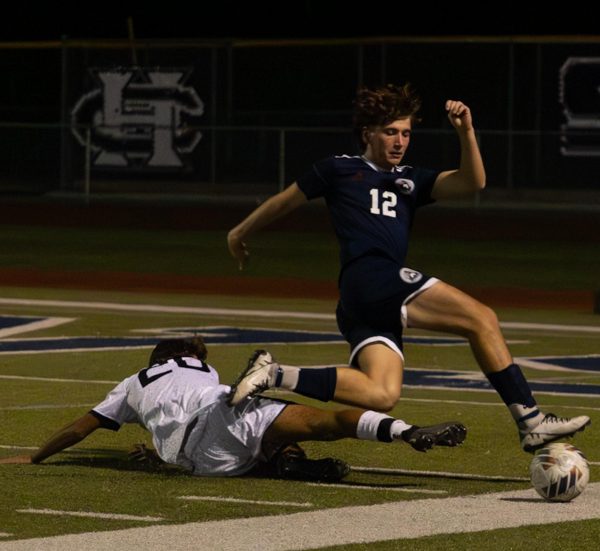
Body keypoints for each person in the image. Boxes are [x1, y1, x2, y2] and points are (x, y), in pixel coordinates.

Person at [226, 83, 590, 453]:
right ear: (368, 134)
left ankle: (273, 373)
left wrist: (465, 132)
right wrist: (239, 232)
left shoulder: (411, 180)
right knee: (481, 319)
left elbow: (473, 181)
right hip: (373, 277)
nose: (400, 141)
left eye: (406, 133)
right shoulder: (339, 168)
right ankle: (531, 422)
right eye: (390, 132)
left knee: (381, 394)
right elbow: (283, 202)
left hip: (363, 300)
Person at [0, 337, 467, 480]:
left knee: (266, 444)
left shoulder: (130, 383)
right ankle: (405, 430)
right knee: (321, 422)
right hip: (221, 408)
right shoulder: (204, 372)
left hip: (195, 460)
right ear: (192, 357)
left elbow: (80, 430)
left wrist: (36, 456)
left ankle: (281, 464)